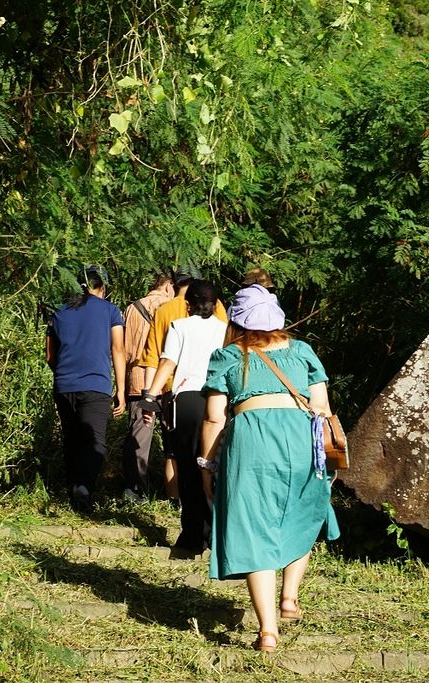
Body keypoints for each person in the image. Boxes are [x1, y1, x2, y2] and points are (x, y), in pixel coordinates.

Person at [197, 283, 340, 652]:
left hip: (252, 441)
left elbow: (214, 419)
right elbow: (322, 408)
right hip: (301, 438)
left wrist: (207, 465)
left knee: (253, 526)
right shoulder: (302, 350)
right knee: (301, 512)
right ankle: (289, 597)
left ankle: (267, 632)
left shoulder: (227, 355)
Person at [139, 280, 227, 552]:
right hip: (218, 399)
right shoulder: (226, 331)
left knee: (189, 468)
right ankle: (216, 536)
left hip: (187, 400)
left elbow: (168, 362)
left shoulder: (181, 326)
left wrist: (150, 396)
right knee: (214, 467)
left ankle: (192, 537)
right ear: (215, 304)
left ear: (188, 304)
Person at [45, 266, 126, 513]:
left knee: (71, 439)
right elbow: (118, 350)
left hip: (64, 384)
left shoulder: (59, 312)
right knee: (95, 442)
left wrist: (64, 374)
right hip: (96, 385)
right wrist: (120, 390)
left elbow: (50, 355)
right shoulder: (110, 311)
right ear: (101, 288)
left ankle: (74, 490)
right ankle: (83, 492)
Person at [120, 273, 175, 500]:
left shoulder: (132, 309)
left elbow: (125, 351)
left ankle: (134, 490)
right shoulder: (172, 307)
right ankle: (175, 492)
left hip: (138, 381)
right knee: (174, 440)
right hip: (169, 381)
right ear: (168, 286)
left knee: (139, 439)